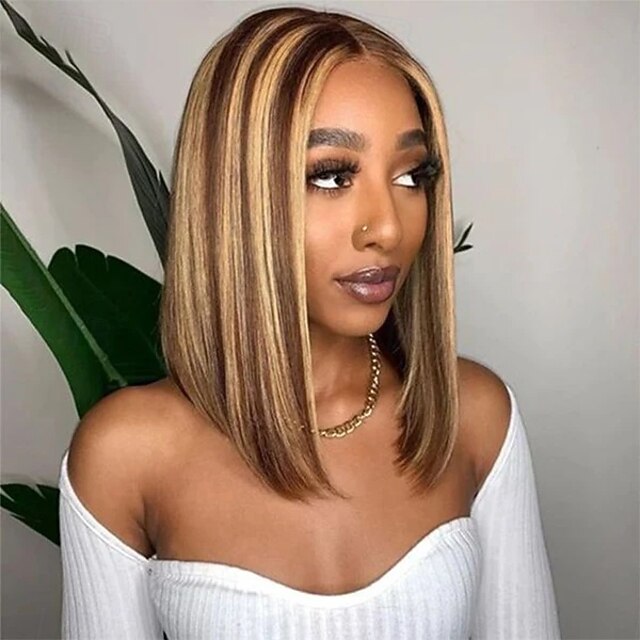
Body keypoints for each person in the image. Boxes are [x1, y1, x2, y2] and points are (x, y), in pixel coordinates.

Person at [58, 5, 561, 639]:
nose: (387, 228)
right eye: (331, 176)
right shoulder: (127, 454)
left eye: (412, 175)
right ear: (234, 192)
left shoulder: (473, 416)